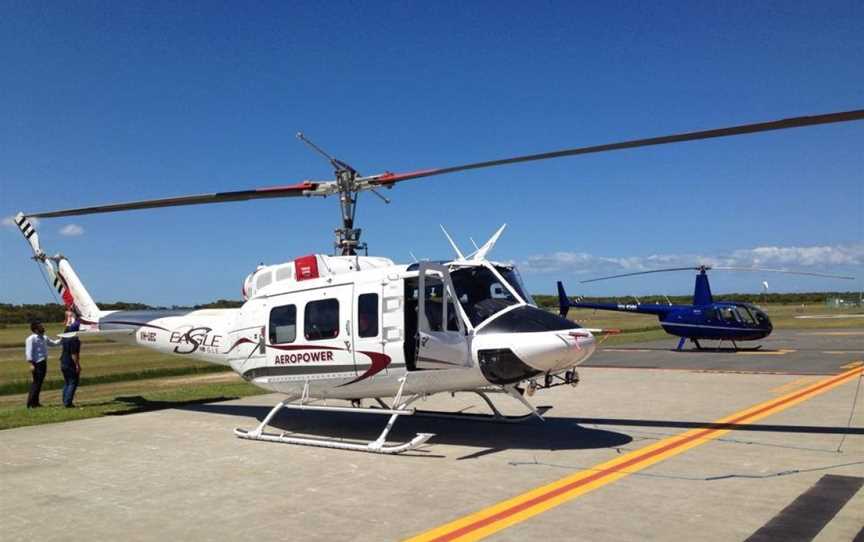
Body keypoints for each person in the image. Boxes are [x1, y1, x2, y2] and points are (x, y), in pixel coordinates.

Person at [24, 321, 60, 408]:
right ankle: (30, 403)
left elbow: (53, 343)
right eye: (40, 327)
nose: (43, 328)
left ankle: (36, 403)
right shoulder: (31, 339)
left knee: (39, 383)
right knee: (36, 383)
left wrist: (63, 339)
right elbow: (29, 352)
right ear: (35, 329)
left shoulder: (44, 337)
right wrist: (31, 364)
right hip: (36, 363)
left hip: (43, 362)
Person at [59, 319, 82, 408]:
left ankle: (65, 401)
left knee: (67, 382)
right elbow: (74, 354)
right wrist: (77, 365)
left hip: (63, 361)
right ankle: (68, 403)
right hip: (70, 363)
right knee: (73, 382)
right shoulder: (74, 339)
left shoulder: (65, 338)